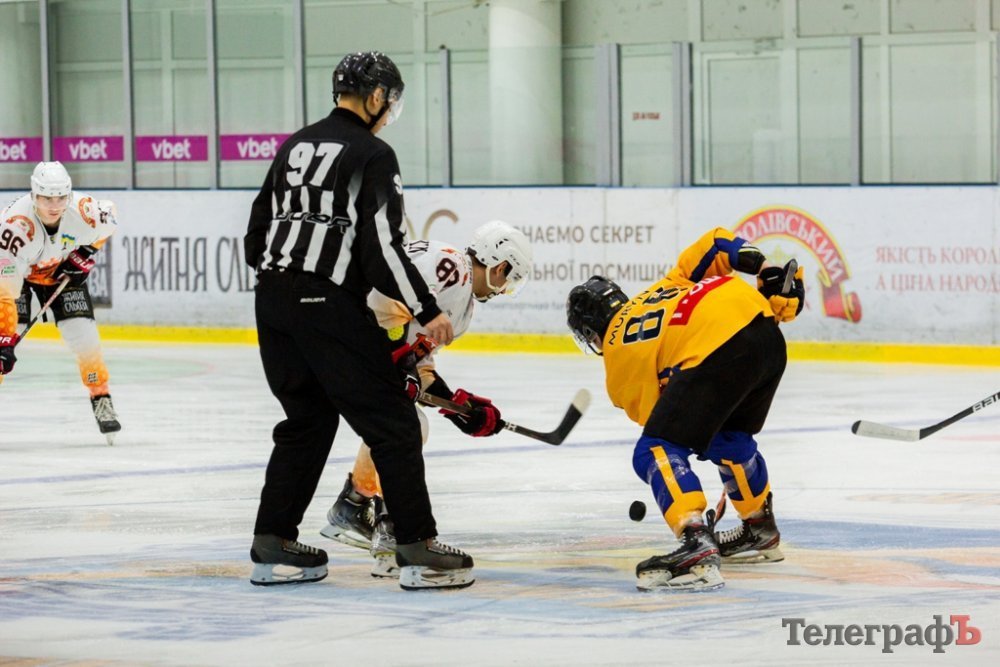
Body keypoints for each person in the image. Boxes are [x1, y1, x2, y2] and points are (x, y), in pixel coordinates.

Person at [244, 50, 477, 590]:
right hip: (323, 301)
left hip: (271, 301)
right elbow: (382, 249)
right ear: (375, 97)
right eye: (389, 101)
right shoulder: (373, 154)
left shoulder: (294, 145)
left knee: (307, 421)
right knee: (393, 422)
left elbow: (257, 233)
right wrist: (428, 310)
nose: (390, 112)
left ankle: (272, 543)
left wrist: (286, 283)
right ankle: (416, 548)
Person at [565, 227, 804, 591]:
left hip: (718, 349)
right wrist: (764, 267)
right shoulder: (669, 284)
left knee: (655, 450)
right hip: (767, 336)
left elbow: (667, 428)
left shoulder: (615, 355)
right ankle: (759, 527)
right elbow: (717, 242)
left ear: (590, 333)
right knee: (729, 439)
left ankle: (695, 539)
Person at [318, 220, 533, 578]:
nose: (503, 289)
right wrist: (391, 355)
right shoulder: (450, 267)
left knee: (403, 420)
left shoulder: (462, 304)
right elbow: (382, 298)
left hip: (348, 343)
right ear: (500, 266)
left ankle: (355, 505)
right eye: (508, 279)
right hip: (343, 338)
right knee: (405, 424)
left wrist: (461, 408)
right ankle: (395, 533)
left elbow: (417, 365)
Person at [0, 161, 121, 445]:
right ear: (34, 195)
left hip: (61, 274)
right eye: (46, 198)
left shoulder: (83, 210)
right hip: (17, 277)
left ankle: (101, 396)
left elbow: (110, 218)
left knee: (85, 337)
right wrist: (4, 339)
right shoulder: (14, 229)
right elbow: (5, 293)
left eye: (60, 198)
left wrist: (85, 252)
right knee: (1, 353)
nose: (54, 206)